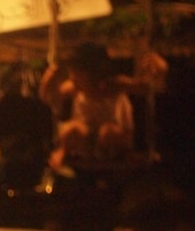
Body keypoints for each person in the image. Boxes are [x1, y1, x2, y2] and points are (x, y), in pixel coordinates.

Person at [43, 43, 134, 171]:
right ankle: (64, 151)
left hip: (110, 141)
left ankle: (112, 156)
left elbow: (145, 87)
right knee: (72, 130)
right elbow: (49, 97)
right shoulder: (75, 89)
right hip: (85, 140)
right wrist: (48, 80)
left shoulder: (115, 89)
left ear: (92, 74)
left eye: (75, 73)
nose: (72, 77)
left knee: (107, 132)